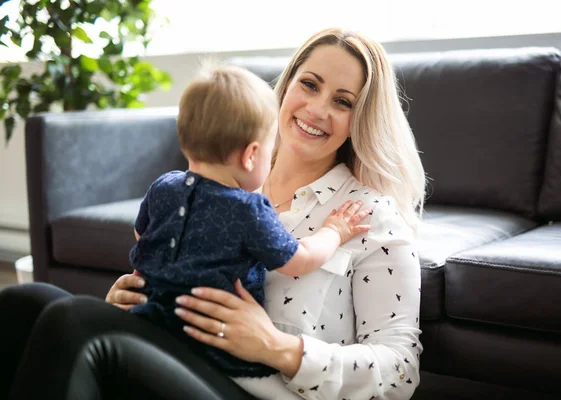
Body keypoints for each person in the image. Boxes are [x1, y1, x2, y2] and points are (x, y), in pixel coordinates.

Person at [0, 27, 425, 400]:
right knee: (28, 302)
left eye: (343, 101)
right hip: (176, 352)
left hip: (254, 388)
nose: (317, 109)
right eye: (309, 84)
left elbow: (400, 370)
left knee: (75, 321)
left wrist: (277, 347)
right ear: (287, 85)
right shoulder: (227, 181)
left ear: (361, 119)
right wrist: (129, 306)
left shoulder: (368, 215)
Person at [128, 63, 370, 378]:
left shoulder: (164, 185)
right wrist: (334, 231)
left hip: (148, 329)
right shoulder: (249, 209)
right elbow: (299, 260)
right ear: (252, 154)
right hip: (213, 354)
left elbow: (141, 234)